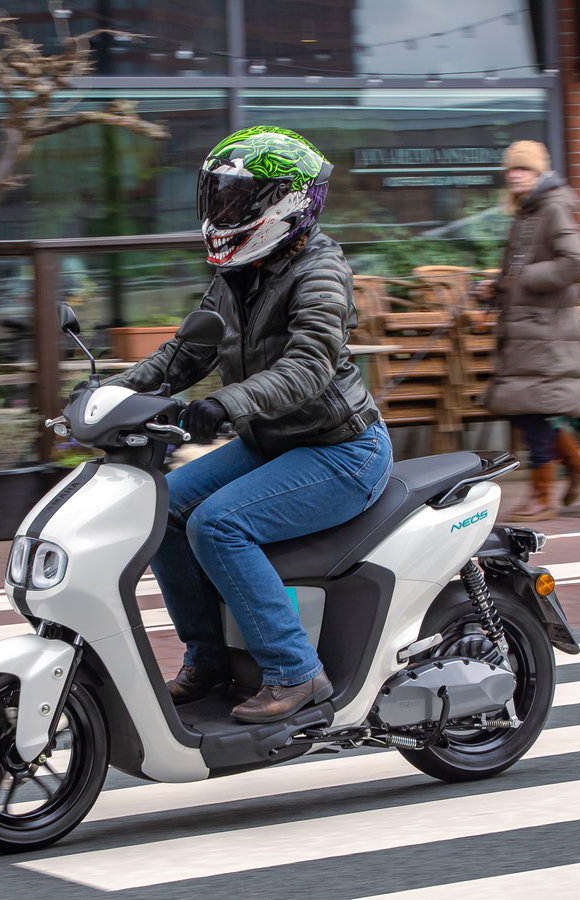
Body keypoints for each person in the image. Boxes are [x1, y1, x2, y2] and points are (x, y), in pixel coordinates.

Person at [105, 126, 392, 724]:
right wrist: (110, 392)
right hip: (273, 441)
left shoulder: (321, 273)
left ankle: (297, 673)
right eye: (220, 196)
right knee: (163, 510)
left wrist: (229, 404)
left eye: (239, 199)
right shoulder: (239, 273)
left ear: (284, 204)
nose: (223, 210)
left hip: (340, 450)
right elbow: (185, 352)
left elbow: (308, 368)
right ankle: (208, 658)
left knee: (217, 525)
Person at [476, 140, 580, 522]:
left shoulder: (553, 207)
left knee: (531, 410)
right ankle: (576, 460)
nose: (514, 174)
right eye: (511, 169)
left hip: (545, 331)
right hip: (527, 331)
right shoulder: (527, 211)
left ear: (539, 173)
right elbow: (521, 269)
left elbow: (576, 260)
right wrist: (498, 284)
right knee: (526, 409)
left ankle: (543, 495)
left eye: (523, 169)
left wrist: (524, 279)